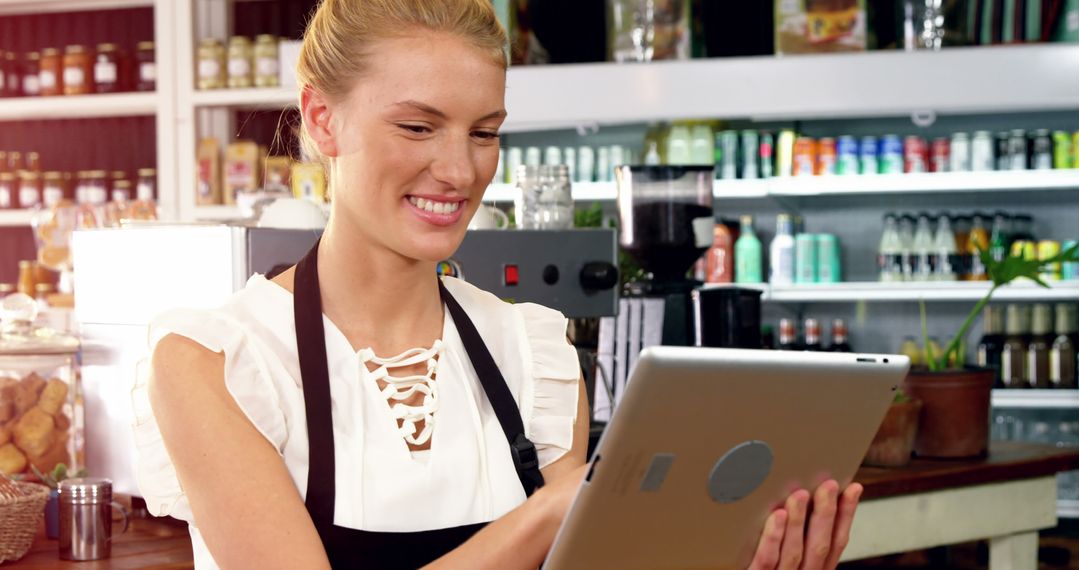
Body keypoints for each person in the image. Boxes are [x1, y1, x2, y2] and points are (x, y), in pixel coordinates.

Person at [134, 1, 863, 568]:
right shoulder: (216, 364)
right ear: (323, 119)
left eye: (484, 132)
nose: (460, 170)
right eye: (419, 128)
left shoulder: (533, 354)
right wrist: (549, 514)